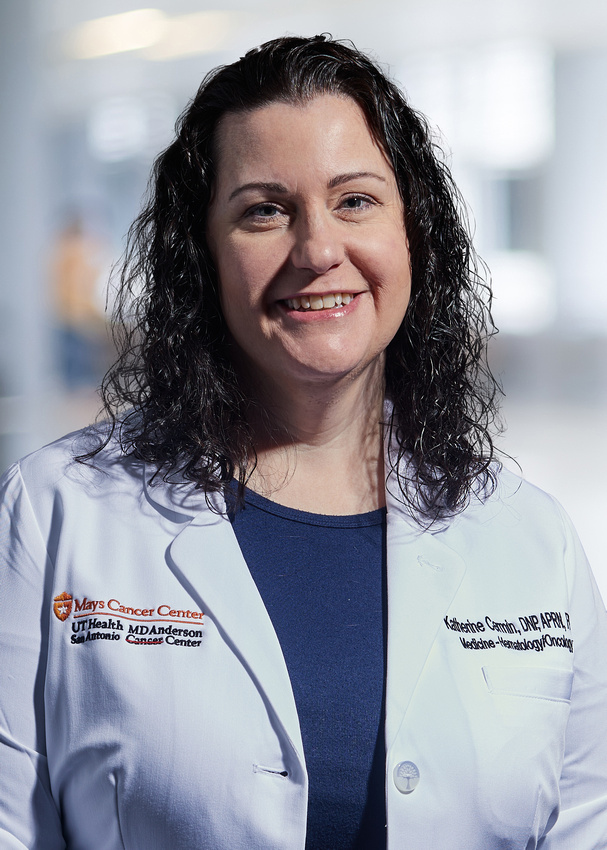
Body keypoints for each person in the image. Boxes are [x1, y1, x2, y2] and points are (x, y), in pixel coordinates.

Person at [1, 34, 606, 850]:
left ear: (413, 233)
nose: (318, 250)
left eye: (354, 201)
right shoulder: (56, 513)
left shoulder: (531, 538)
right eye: (264, 210)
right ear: (203, 255)